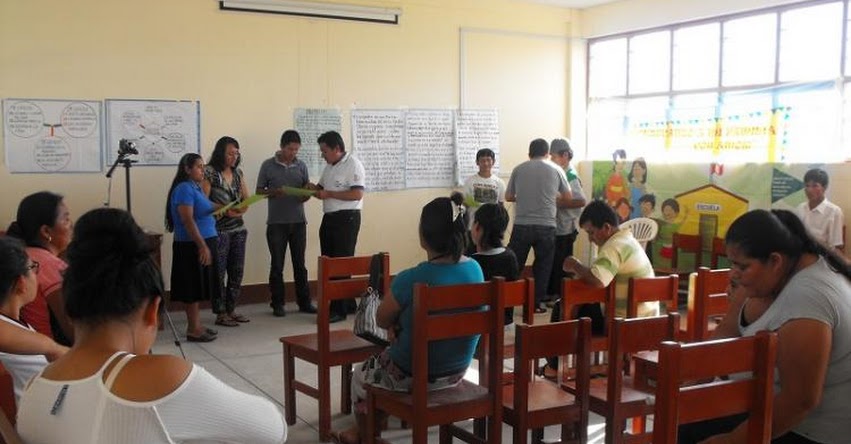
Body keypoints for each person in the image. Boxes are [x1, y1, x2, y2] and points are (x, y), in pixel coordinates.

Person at [16, 208, 287, 444]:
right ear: (152, 311)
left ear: (71, 308)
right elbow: (272, 429)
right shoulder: (163, 377)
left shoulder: (34, 386)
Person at [680, 209, 851, 444]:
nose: (734, 274)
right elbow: (725, 334)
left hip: (810, 431)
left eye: (742, 266)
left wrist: (731, 441)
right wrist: (688, 388)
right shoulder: (767, 278)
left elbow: (800, 402)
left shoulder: (808, 299)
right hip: (766, 406)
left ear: (775, 261)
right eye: (732, 264)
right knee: (685, 420)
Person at [329, 196, 484, 444]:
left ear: (424, 236)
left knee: (361, 375)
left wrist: (395, 323)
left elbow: (380, 319)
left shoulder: (412, 277)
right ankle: (369, 427)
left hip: (410, 372)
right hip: (456, 371)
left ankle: (365, 433)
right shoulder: (476, 270)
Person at [542, 200, 656, 378]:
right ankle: (578, 364)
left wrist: (575, 265)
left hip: (624, 321)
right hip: (645, 317)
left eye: (591, 232)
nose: (590, 239)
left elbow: (598, 281)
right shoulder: (627, 240)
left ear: (606, 227)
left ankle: (555, 367)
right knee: (580, 308)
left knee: (562, 307)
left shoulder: (614, 246)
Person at [506, 138, 571, 313]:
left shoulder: (518, 169)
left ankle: (506, 303)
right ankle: (535, 306)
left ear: (529, 154)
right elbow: (568, 197)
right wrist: (551, 197)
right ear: (547, 153)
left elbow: (508, 196)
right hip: (547, 226)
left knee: (514, 264)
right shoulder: (557, 169)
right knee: (543, 266)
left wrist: (524, 197)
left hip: (522, 225)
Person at [256, 130, 316, 317]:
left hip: (298, 222)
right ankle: (278, 304)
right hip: (276, 223)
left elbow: (305, 194)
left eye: (296, 150)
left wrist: (306, 193)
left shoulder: (301, 165)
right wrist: (274, 192)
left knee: (300, 264)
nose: (293, 153)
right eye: (290, 149)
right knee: (277, 265)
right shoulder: (268, 165)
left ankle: (304, 302)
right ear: (282, 146)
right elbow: (258, 191)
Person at [0, 236, 67, 403]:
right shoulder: (7, 331)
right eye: (33, 267)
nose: (36, 273)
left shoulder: (17, 324)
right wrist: (54, 348)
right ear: (21, 283)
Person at [6, 191, 74, 346]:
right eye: (66, 219)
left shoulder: (21, 254)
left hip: (24, 347)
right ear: (46, 231)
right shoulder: (50, 265)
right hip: (49, 354)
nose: (71, 224)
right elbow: (71, 329)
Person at [165, 153, 220, 343]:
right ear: (187, 169)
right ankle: (193, 329)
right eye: (198, 166)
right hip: (190, 245)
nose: (202, 170)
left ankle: (197, 325)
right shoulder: (183, 188)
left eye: (203, 167)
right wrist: (202, 245)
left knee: (198, 286)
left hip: (203, 240)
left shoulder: (195, 187)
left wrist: (226, 207)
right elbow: (187, 219)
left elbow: (206, 206)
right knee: (191, 287)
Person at [312, 131, 365, 324]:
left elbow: (357, 194)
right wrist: (312, 189)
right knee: (329, 260)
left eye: (324, 151)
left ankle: (338, 310)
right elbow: (321, 188)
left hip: (347, 218)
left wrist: (329, 194)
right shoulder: (329, 167)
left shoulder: (353, 164)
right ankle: (348, 302)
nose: (322, 155)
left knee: (340, 263)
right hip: (329, 217)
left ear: (337, 149)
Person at [203, 136, 251, 327]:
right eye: (230, 153)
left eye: (236, 153)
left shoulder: (238, 173)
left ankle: (231, 309)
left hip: (239, 229)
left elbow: (246, 198)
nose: (233, 156)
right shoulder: (210, 172)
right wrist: (224, 210)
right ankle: (220, 312)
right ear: (220, 153)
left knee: (237, 270)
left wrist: (242, 209)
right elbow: (204, 202)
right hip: (218, 231)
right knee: (218, 272)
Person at [547, 138, 587, 300]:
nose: (551, 159)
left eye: (554, 156)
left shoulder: (570, 175)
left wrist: (555, 202)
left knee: (560, 264)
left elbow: (580, 200)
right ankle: (552, 293)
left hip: (565, 228)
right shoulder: (560, 172)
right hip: (557, 226)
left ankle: (559, 295)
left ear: (565, 155)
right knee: (553, 261)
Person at [470, 202, 519, 325]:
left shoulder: (472, 263)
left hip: (479, 325)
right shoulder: (511, 257)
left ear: (477, 227)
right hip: (506, 324)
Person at [462, 148, 506, 254]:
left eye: (488, 160)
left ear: (493, 162)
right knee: (471, 255)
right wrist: (481, 204)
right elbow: (466, 203)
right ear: (477, 162)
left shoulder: (499, 183)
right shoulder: (470, 181)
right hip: (473, 227)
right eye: (482, 160)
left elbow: (500, 206)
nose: (486, 163)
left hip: (492, 229)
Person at [795, 168, 844, 254]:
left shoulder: (834, 212)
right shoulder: (800, 208)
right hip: (800, 256)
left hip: (823, 258)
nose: (809, 190)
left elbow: (836, 247)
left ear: (824, 187)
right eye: (807, 185)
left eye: (815, 186)